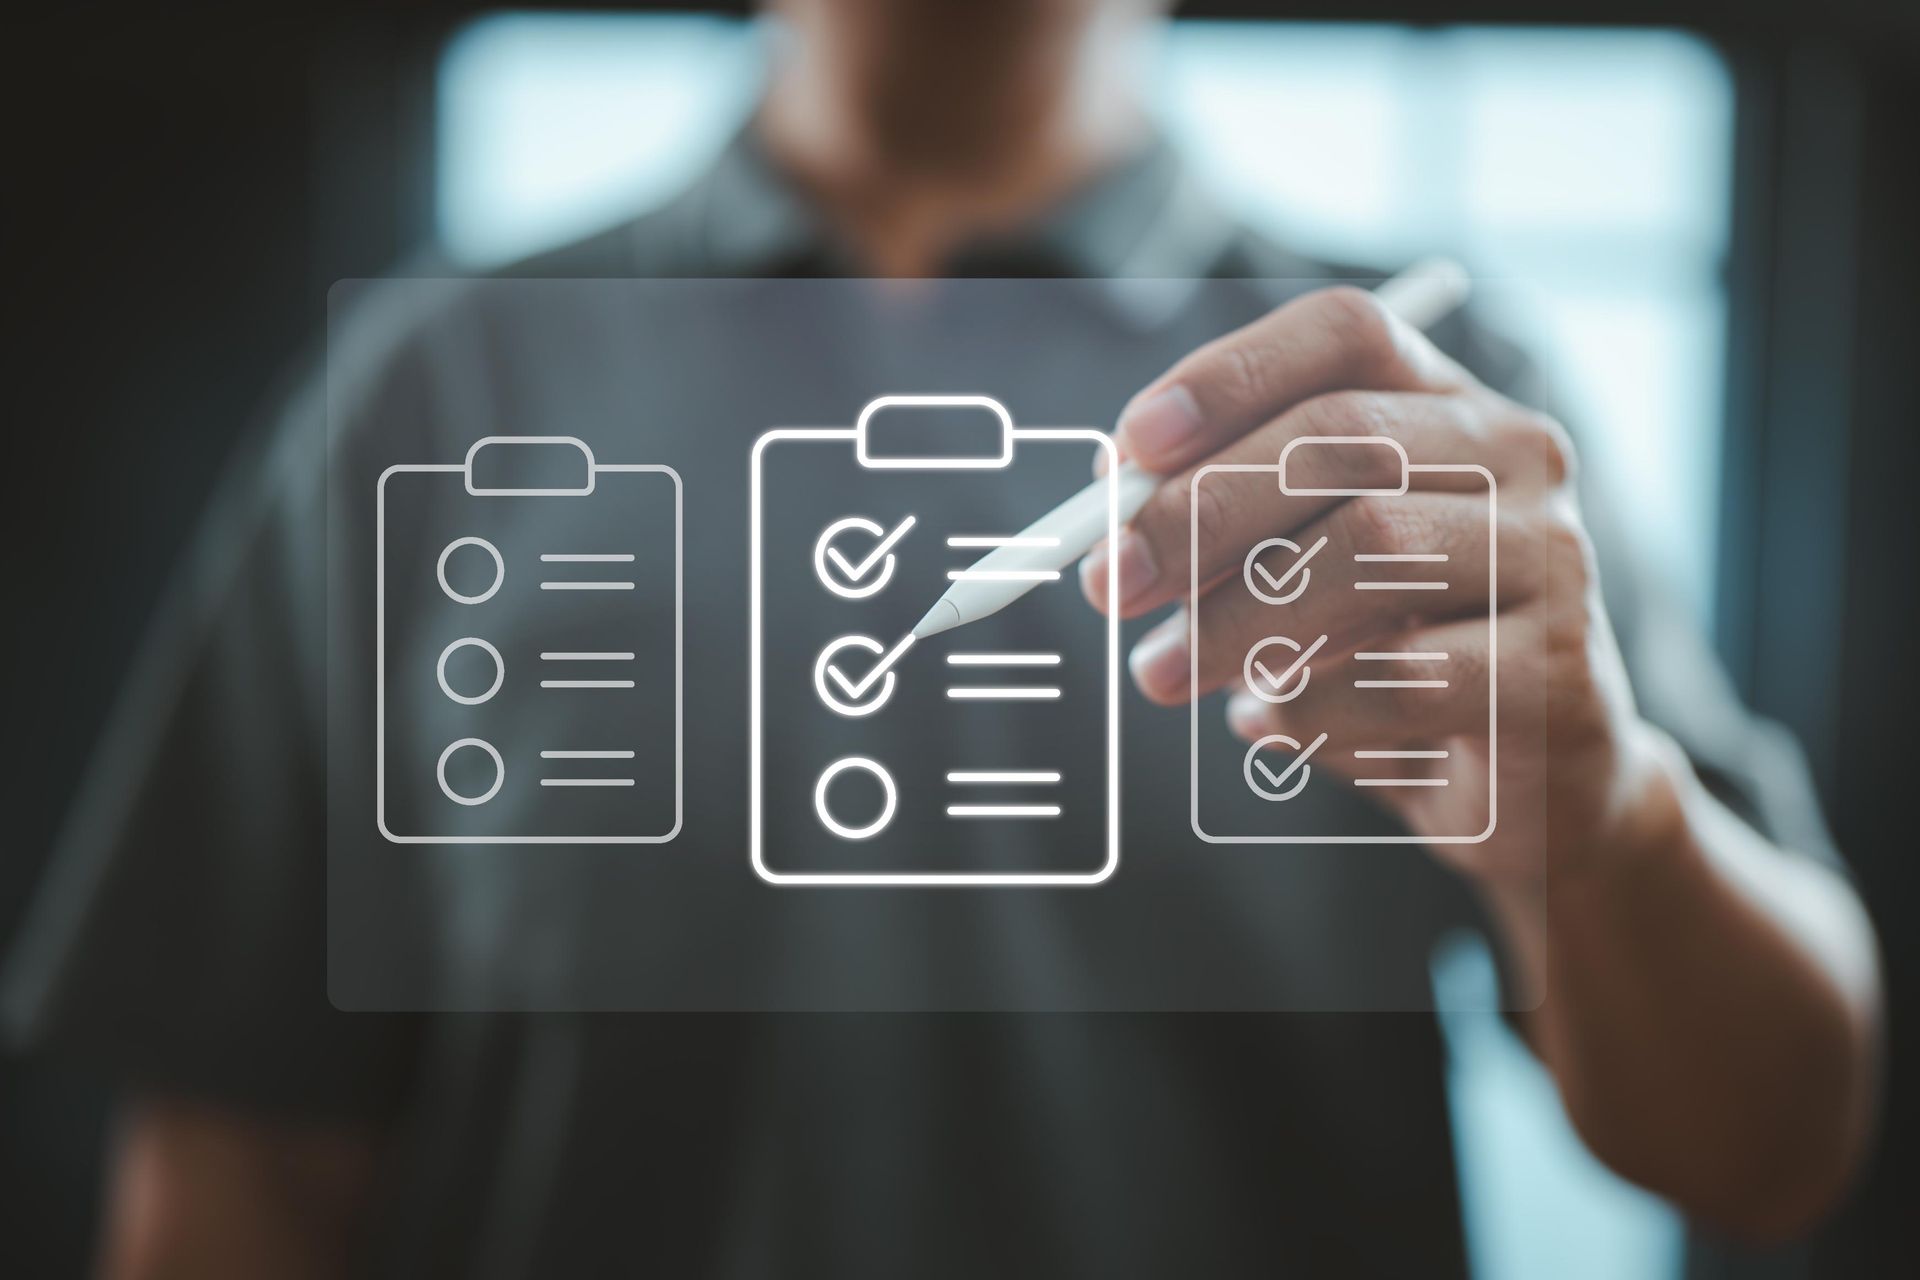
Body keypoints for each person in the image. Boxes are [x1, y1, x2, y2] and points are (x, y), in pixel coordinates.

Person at [3, 1, 1881, 1275]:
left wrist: (1605, 807)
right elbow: (235, 1166)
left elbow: (1778, 1142)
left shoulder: (1418, 418)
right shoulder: (436, 390)